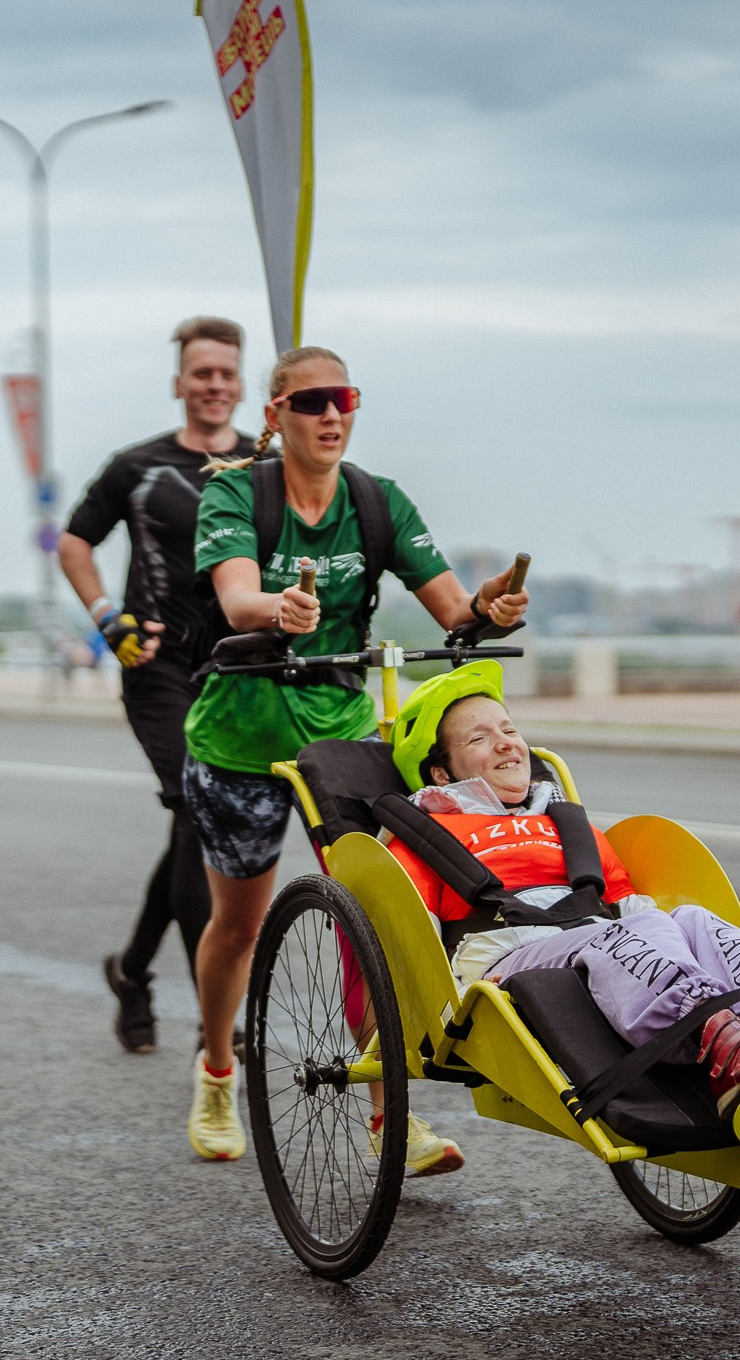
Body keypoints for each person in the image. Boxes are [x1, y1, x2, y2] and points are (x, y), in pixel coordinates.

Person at [181, 345, 530, 1168]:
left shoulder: (377, 501)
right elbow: (236, 597)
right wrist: (279, 607)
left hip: (337, 734)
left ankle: (389, 1119)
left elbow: (455, 612)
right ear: (276, 416)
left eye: (344, 397)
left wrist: (490, 608)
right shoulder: (236, 492)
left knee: (372, 916)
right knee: (238, 926)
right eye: (311, 401)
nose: (331, 413)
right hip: (238, 734)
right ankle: (218, 1071)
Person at [382, 665, 740, 1114]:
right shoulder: (423, 836)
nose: (506, 744)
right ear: (442, 772)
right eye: (480, 738)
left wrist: (671, 942)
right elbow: (413, 940)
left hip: (598, 941)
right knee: (624, 932)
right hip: (501, 960)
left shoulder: (568, 825)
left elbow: (629, 905)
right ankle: (723, 1047)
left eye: (509, 731)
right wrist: (444, 1018)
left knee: (689, 919)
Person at [60, 314, 252, 1055]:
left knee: (194, 826)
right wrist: (106, 617)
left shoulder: (265, 465)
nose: (214, 384)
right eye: (202, 373)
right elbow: (75, 542)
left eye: (226, 373)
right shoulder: (136, 467)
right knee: (197, 814)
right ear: (180, 383)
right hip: (158, 665)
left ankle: (133, 971)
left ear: (242, 384)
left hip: (235, 669)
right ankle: (216, 1018)